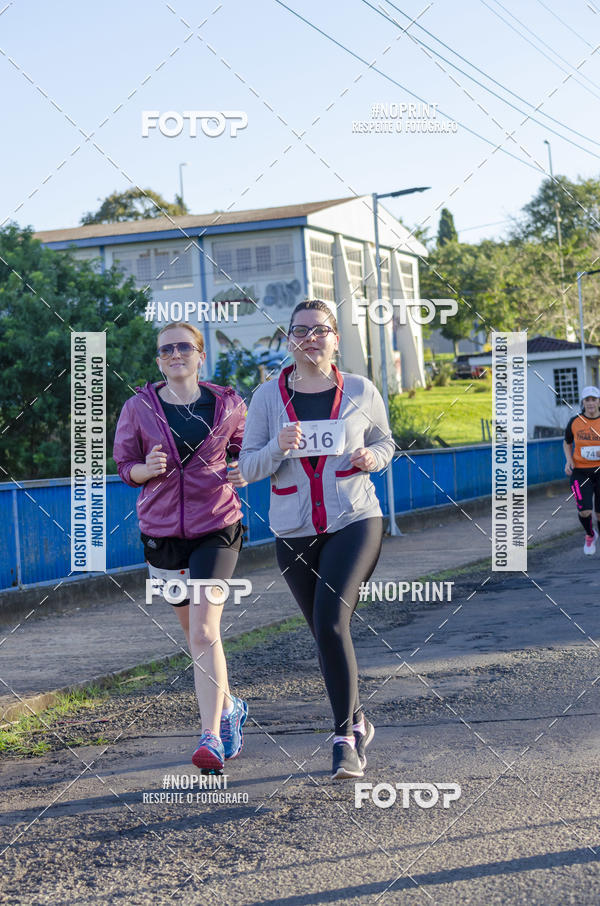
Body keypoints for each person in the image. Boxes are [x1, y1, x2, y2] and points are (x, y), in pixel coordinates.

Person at [238, 300, 395, 780]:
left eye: (319, 330)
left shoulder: (362, 390)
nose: (310, 338)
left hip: (356, 520)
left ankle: (344, 739)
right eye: (300, 331)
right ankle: (361, 720)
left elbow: (388, 441)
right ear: (289, 339)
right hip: (294, 531)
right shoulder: (267, 397)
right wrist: (275, 448)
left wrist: (373, 457)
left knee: (330, 621)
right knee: (325, 632)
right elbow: (245, 469)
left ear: (335, 339)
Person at [113, 321, 249, 771]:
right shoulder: (138, 407)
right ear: (158, 360)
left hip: (217, 526)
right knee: (195, 635)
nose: (175, 354)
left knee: (205, 631)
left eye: (183, 347)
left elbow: (245, 452)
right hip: (162, 532)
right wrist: (144, 470)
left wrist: (242, 468)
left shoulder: (227, 404)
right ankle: (229, 709)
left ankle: (210, 736)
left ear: (200, 354)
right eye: (166, 349)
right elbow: (124, 465)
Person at [564, 385, 600, 555]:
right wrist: (569, 460)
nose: (591, 403)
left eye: (594, 399)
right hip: (580, 472)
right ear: (583, 402)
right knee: (584, 511)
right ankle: (590, 534)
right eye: (588, 400)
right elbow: (567, 442)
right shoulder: (575, 421)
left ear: (599, 402)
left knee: (599, 514)